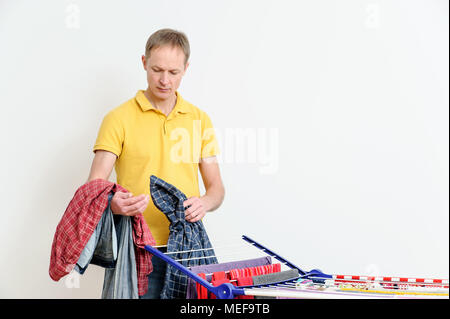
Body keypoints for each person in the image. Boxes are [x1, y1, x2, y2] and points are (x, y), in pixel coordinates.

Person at [86, 28, 225, 298]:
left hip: (186, 250)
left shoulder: (200, 120)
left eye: (174, 73)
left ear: (186, 68)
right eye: (157, 70)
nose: (164, 80)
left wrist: (205, 202)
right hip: (137, 248)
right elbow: (94, 185)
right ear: (144, 63)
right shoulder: (118, 118)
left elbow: (217, 188)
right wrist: (112, 203)